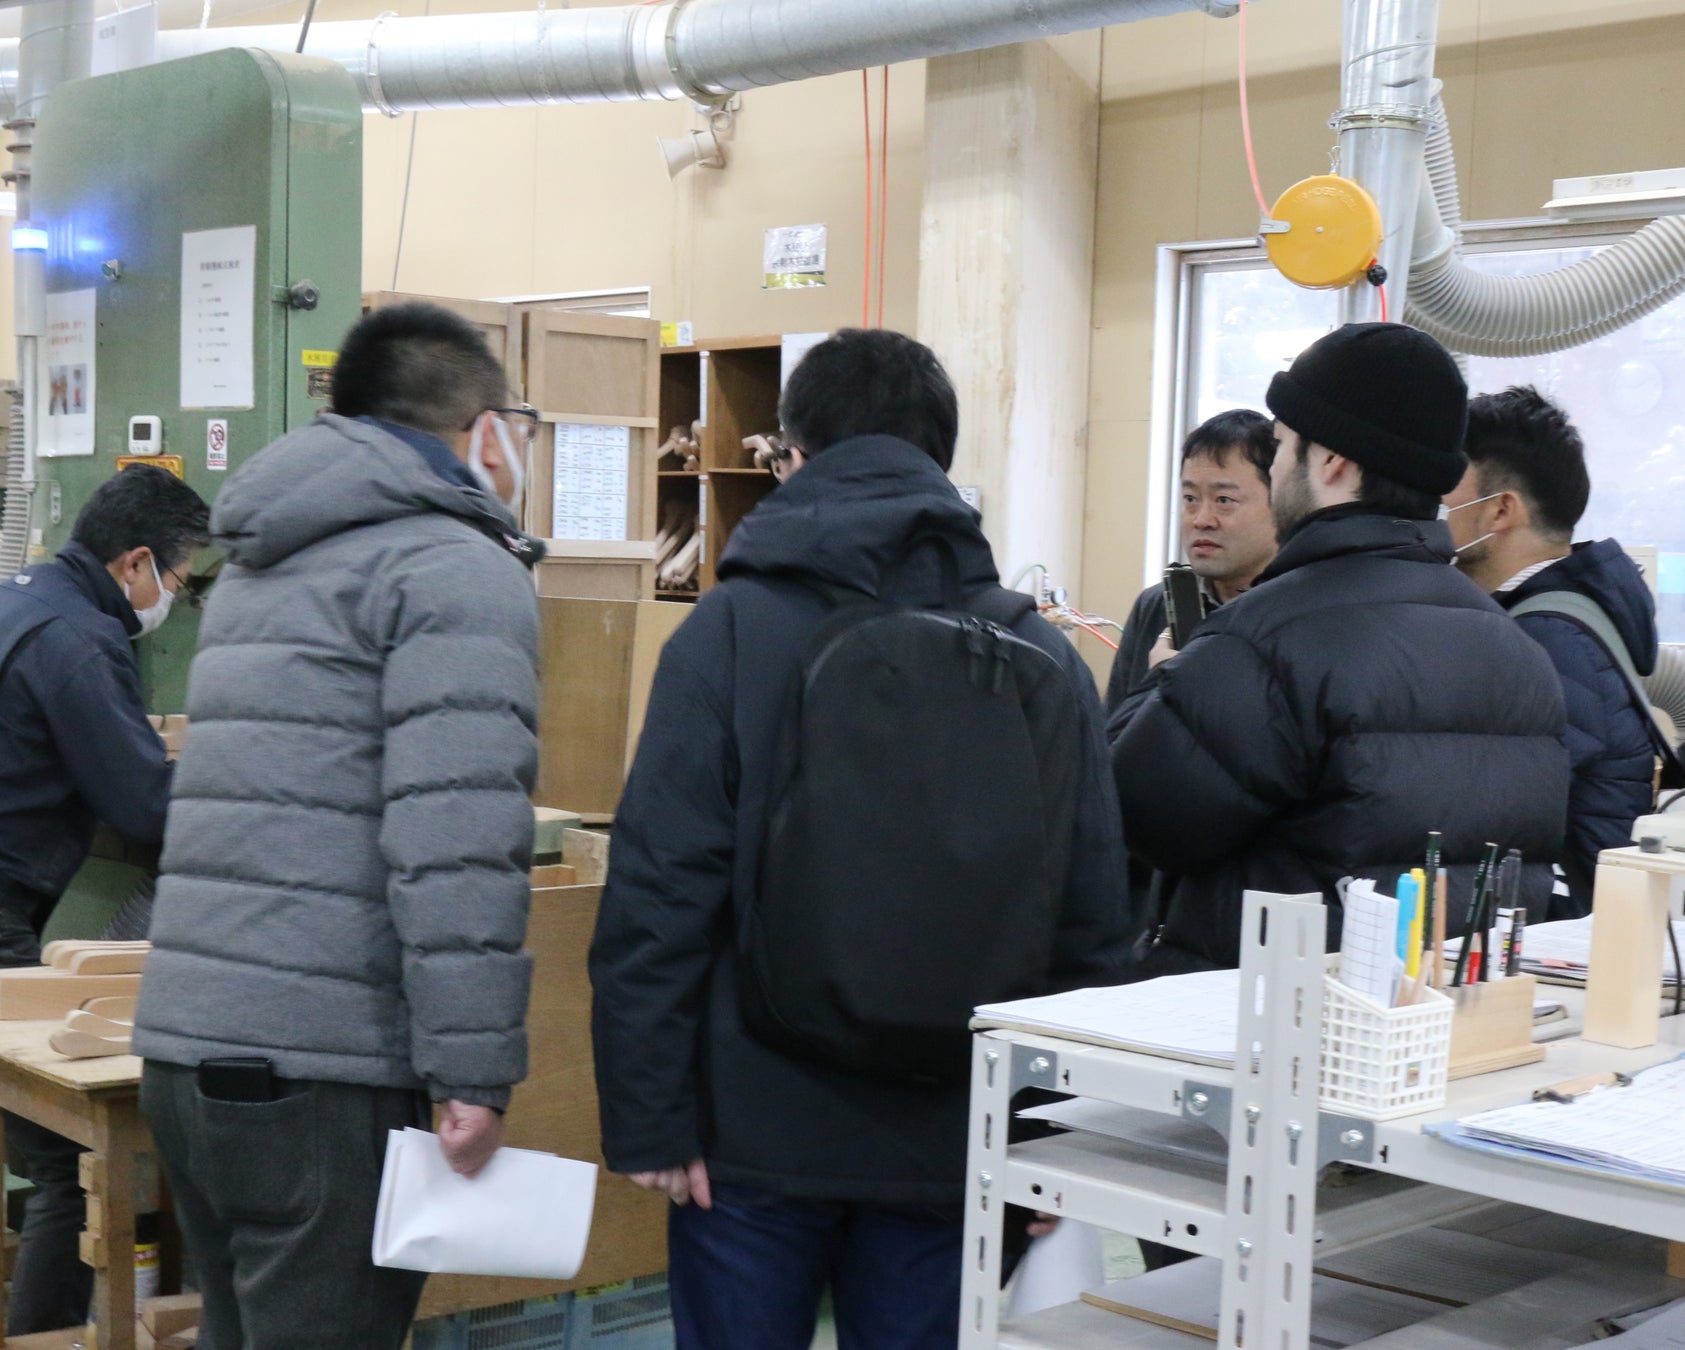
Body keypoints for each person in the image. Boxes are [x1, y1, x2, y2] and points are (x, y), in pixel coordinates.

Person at [589, 328, 1134, 1350]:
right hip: (956, 1133)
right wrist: (1045, 1137)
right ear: (943, 463)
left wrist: (650, 1118)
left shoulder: (727, 631)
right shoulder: (1041, 654)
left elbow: (659, 891)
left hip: (750, 1129)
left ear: (794, 456)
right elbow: (1092, 917)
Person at [132, 302, 544, 1350]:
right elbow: (454, 845)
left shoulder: (260, 562)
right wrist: (472, 1077)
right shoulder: (455, 568)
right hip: (326, 1074)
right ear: (484, 432)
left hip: (187, 1055)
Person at [1110, 322, 1570, 974]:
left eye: (1280, 446)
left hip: (1256, 1013)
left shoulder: (1266, 640)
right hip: (1433, 1018)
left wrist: (1166, 681)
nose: (1275, 468)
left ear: (1331, 462)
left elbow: (1136, 814)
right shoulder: (1517, 651)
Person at [0, 462, 209, 1334]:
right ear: (135, 564)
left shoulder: (24, 596)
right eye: (179, 581)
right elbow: (143, 805)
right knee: (68, 1163)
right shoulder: (80, 641)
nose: (174, 600)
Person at [1443, 386, 1657, 916]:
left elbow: (1501, 812)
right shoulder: (1559, 617)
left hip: (1558, 932)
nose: (1435, 508)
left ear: (1500, 510)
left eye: (1446, 489)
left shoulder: (1548, 640)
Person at [1105, 409, 1278, 710]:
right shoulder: (1157, 605)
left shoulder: (1301, 612)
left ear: (1280, 503)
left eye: (1224, 500)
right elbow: (1115, 729)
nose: (1201, 520)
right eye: (1190, 499)